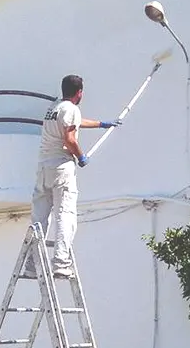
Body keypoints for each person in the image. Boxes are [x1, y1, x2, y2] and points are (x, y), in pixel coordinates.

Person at [26, 74, 121, 279]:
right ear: (80, 93)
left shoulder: (55, 108)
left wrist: (101, 124)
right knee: (65, 214)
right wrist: (81, 157)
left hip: (44, 167)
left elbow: (73, 123)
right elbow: (69, 138)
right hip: (61, 168)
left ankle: (32, 265)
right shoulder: (72, 109)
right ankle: (60, 263)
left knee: (40, 218)